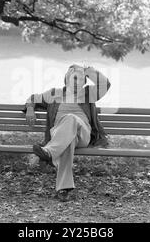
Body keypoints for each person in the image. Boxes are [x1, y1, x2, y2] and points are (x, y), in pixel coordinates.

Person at [24, 64, 111, 201]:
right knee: (67, 143)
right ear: (67, 79)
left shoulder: (89, 94)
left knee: (70, 118)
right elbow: (33, 98)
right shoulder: (54, 94)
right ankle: (63, 188)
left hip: (83, 134)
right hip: (61, 136)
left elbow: (105, 85)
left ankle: (50, 152)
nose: (78, 82)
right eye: (75, 78)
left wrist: (91, 71)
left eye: (82, 79)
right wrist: (30, 109)